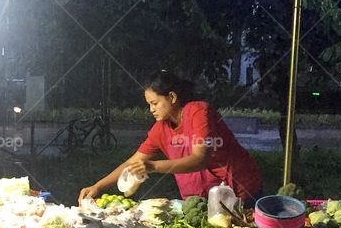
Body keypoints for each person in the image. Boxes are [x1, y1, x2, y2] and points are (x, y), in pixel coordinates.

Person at [79, 72, 262, 203]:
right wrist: (98, 186)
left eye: (154, 103)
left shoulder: (198, 111)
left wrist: (153, 166)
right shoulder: (161, 129)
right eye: (149, 104)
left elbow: (200, 159)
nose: (151, 109)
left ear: (172, 97)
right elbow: (133, 162)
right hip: (207, 199)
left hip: (242, 191)